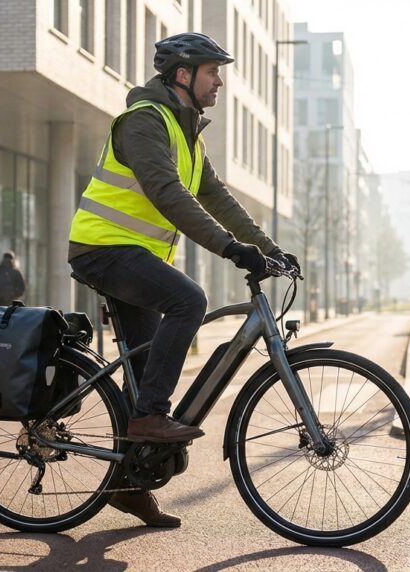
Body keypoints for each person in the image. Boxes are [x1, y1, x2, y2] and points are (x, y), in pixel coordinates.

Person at [67, 32, 299, 528]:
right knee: (190, 299)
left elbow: (217, 197)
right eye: (213, 72)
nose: (219, 83)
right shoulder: (143, 122)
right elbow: (168, 193)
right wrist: (230, 249)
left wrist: (267, 248)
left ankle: (128, 485)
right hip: (102, 249)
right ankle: (150, 416)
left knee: (147, 366)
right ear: (183, 74)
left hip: (135, 257)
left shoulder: (187, 132)